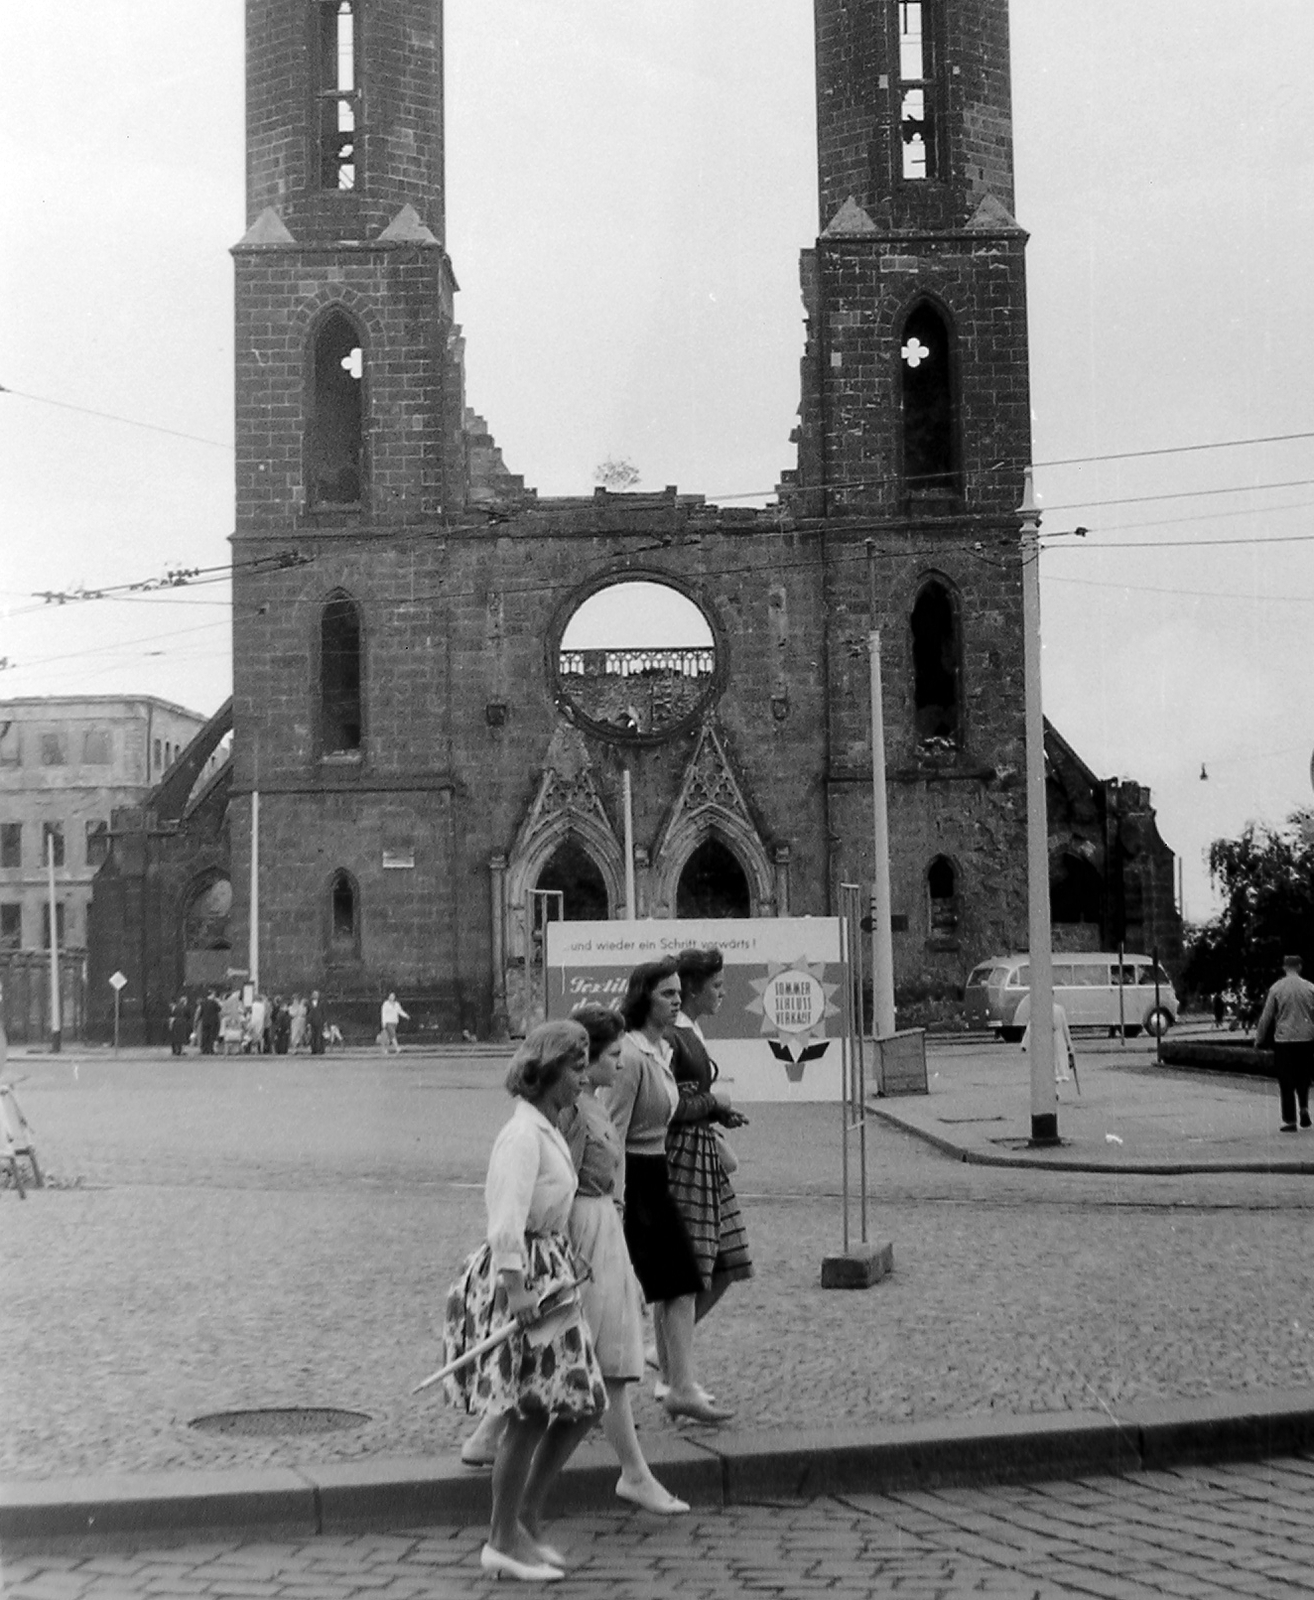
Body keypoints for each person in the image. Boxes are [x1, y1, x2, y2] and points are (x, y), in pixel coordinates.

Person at [441, 1021, 607, 1582]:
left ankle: (527, 1519)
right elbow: (505, 1222)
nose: (584, 1078)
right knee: (530, 1410)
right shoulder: (522, 1135)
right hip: (525, 1277)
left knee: (582, 1403)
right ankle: (503, 1537)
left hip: (550, 1272)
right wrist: (517, 1291)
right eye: (576, 1067)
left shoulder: (548, 1126)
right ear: (547, 1070)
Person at [606, 958, 731, 1424]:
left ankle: (679, 1385)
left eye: (679, 993)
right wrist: (614, 1201)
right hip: (636, 1180)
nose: (677, 1000)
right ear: (644, 998)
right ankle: (676, 1385)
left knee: (677, 1281)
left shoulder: (660, 1052)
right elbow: (612, 1132)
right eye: (667, 994)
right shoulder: (632, 1056)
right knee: (655, 1284)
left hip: (657, 1175)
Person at [663, 948, 753, 1400]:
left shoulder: (690, 1032)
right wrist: (715, 1104)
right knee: (690, 1270)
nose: (723, 994)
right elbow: (672, 1104)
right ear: (693, 990)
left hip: (703, 1152)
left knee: (727, 1262)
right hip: (685, 1159)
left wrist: (717, 1113)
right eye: (716, 987)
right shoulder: (675, 1038)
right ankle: (675, 1373)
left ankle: (668, 1360)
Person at [1254, 955, 1314, 1132]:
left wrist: (1259, 1039)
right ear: (1300, 967)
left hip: (1284, 1039)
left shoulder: (1276, 988)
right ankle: (1303, 1107)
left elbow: (1266, 1017)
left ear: (1284, 967)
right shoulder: (1310, 988)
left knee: (1286, 1079)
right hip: (1306, 1038)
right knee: (1304, 1075)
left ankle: (1290, 1120)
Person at [1018, 994, 1077, 1088]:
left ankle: (1054, 1090)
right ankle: (1053, 1090)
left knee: (1055, 1067)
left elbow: (1065, 1028)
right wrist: (1025, 1044)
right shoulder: (1040, 1010)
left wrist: (1069, 1043)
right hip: (1048, 1040)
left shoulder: (1056, 1009)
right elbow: (1031, 1027)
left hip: (1056, 1040)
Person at [198, 990, 221, 1056]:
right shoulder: (214, 1002)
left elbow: (201, 1012)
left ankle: (204, 1049)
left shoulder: (203, 1002)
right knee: (211, 1035)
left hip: (205, 1021)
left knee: (205, 1035)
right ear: (211, 995)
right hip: (212, 1022)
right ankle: (210, 1049)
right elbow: (219, 1009)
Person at [307, 991, 325, 1056]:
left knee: (319, 1036)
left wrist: (324, 1022)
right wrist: (308, 1023)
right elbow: (308, 1013)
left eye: (317, 994)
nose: (315, 996)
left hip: (319, 1022)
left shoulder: (321, 1003)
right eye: (314, 994)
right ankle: (313, 1050)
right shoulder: (309, 1003)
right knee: (313, 1036)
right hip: (312, 1022)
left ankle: (319, 1049)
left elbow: (323, 1013)